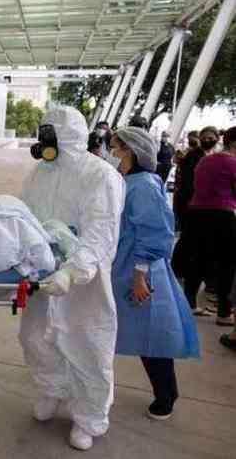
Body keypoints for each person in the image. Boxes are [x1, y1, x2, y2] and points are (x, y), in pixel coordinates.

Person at [19, 106, 125, 451]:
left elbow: (101, 232)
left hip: (84, 281)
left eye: (49, 134)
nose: (44, 142)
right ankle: (53, 390)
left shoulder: (100, 175)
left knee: (87, 346)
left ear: (67, 137)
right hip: (42, 273)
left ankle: (89, 419)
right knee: (35, 337)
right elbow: (26, 216)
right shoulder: (40, 172)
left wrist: (72, 270)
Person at [108, 127, 199, 420]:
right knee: (115, 327)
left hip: (139, 269)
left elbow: (155, 232)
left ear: (131, 150)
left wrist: (140, 276)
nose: (112, 153)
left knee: (153, 335)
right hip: (121, 264)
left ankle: (166, 394)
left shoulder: (143, 185)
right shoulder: (127, 180)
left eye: (116, 148)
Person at [181, 126, 236, 325]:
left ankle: (189, 303)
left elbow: (195, 185)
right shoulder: (233, 163)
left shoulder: (205, 160)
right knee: (226, 264)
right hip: (223, 215)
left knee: (196, 260)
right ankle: (223, 312)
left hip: (196, 213)